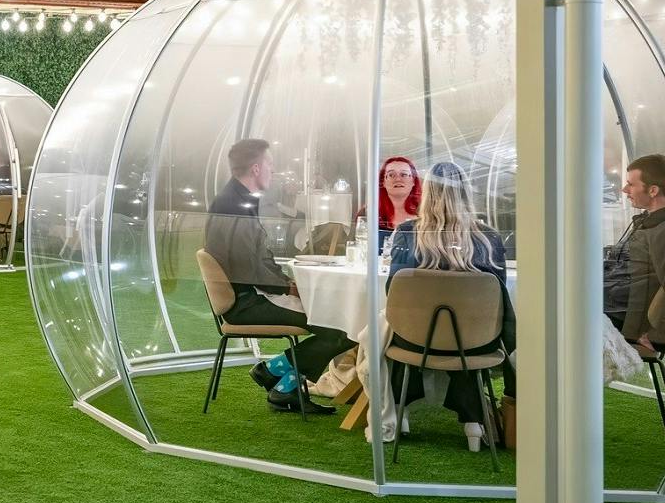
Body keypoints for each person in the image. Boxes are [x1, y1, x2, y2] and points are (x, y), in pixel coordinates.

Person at [204, 138, 353, 413]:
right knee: (341, 326)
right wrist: (287, 287)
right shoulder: (235, 206)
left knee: (336, 322)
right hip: (248, 302)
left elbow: (253, 260)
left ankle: (280, 380)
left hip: (250, 295)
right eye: (270, 165)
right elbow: (249, 267)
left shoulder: (235, 200)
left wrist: (286, 283)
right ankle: (277, 378)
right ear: (257, 168)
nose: (273, 171)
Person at [385, 161, 515, 451]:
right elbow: (499, 294)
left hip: (415, 340)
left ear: (427, 192)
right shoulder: (488, 237)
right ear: (466, 193)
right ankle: (472, 421)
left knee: (395, 327)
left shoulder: (408, 233)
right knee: (463, 334)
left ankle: (400, 409)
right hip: (476, 342)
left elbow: (392, 292)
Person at [605, 153, 665, 352]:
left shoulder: (660, 230)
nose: (624, 190)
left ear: (653, 190)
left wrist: (655, 335)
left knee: (551, 307)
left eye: (631, 184)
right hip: (612, 303)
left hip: (621, 315)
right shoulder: (648, 222)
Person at [355, 155, 421, 252]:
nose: (398, 179)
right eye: (391, 175)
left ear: (413, 181)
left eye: (404, 174)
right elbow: (358, 249)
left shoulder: (425, 212)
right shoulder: (368, 212)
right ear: (383, 182)